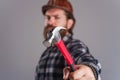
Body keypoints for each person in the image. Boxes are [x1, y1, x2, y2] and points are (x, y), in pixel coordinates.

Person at [35, 0, 101, 80]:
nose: (50, 22)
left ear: (69, 23)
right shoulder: (45, 54)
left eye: (56, 17)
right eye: (48, 17)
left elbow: (85, 59)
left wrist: (90, 69)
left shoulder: (74, 45)